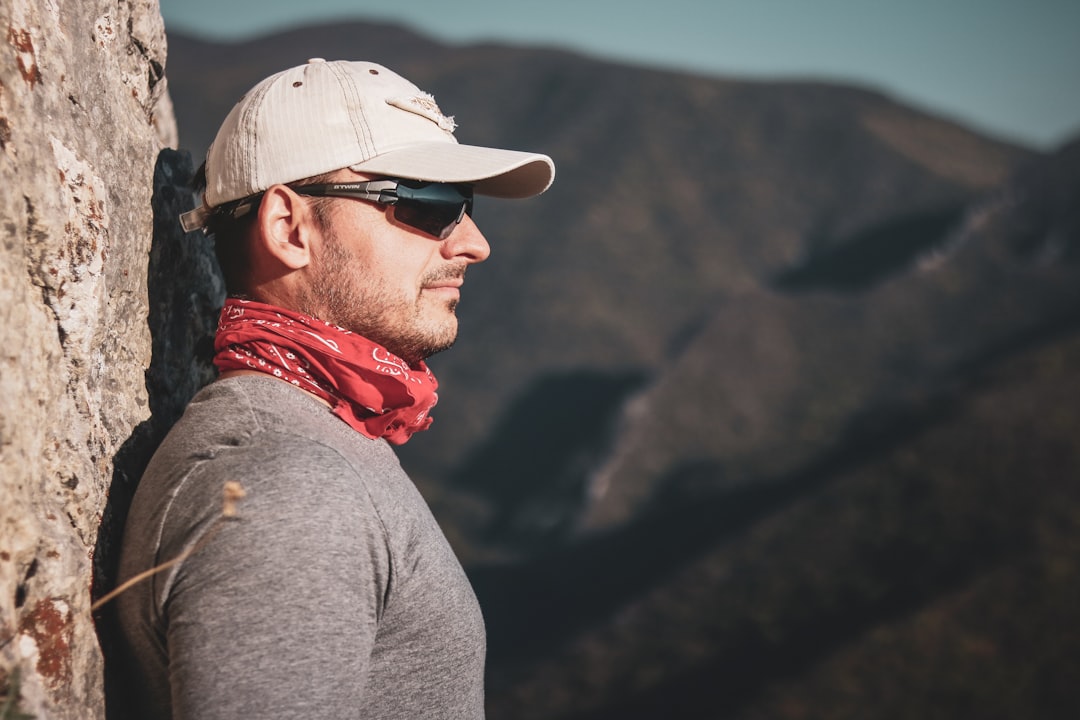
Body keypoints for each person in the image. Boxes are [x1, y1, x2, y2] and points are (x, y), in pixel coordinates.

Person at [114, 58, 554, 719]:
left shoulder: (313, 441)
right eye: (428, 203)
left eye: (465, 207)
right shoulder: (289, 486)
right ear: (290, 228)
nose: (474, 243)